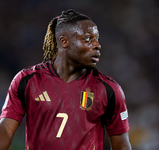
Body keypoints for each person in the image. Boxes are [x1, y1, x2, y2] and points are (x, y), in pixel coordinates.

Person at [0, 9, 131, 150]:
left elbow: (121, 144)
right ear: (64, 42)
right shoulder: (27, 80)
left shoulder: (109, 89)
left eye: (97, 39)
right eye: (87, 38)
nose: (97, 45)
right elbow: (6, 130)